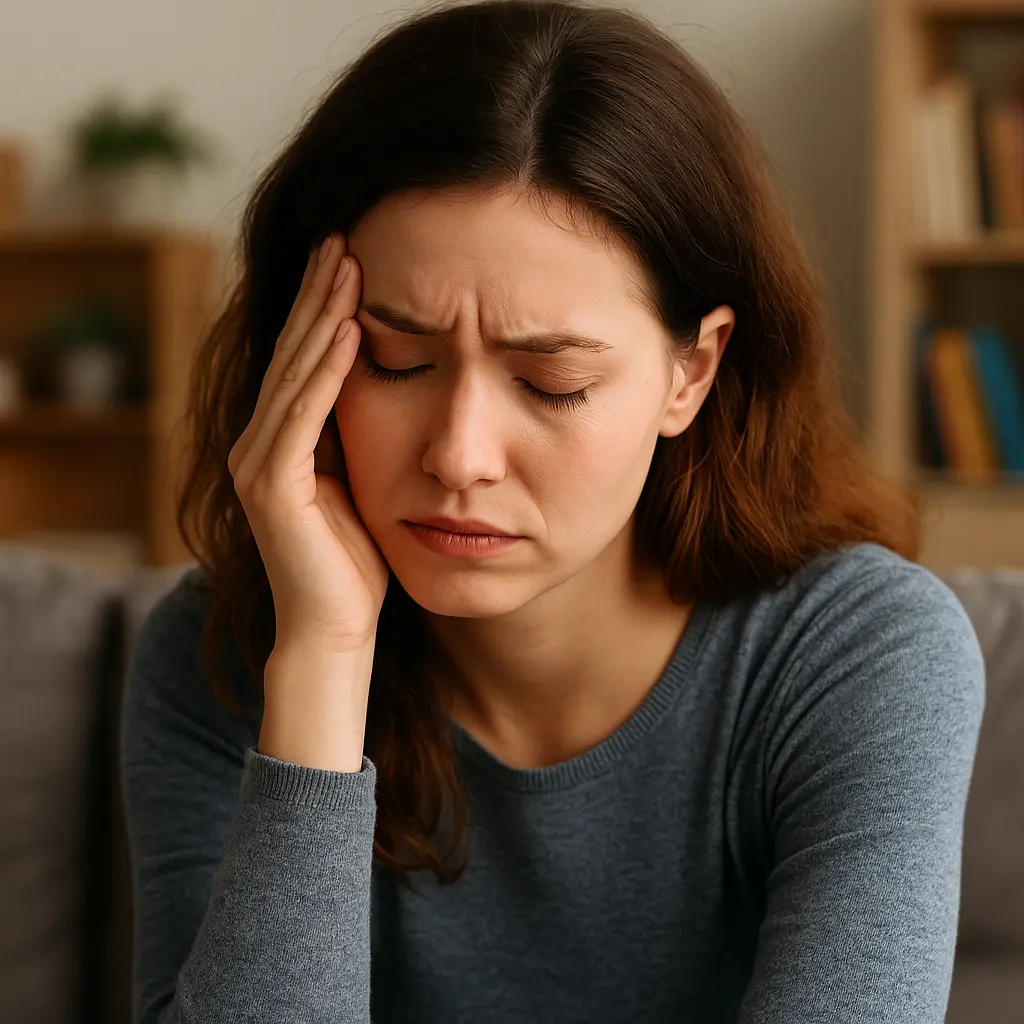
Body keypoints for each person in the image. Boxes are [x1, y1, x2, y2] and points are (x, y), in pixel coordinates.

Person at [120, 1, 986, 1021]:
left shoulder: (857, 656)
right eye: (397, 360)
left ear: (689, 371)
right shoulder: (220, 656)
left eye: (553, 381)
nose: (458, 456)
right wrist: (319, 662)